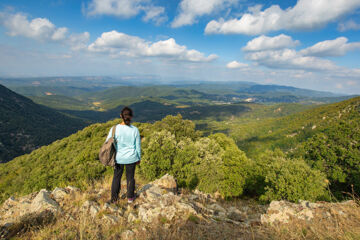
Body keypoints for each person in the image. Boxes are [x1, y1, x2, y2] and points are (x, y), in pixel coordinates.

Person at [105, 106, 141, 204]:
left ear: (121, 116)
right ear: (131, 117)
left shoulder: (114, 129)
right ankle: (130, 198)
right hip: (132, 158)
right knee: (130, 177)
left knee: (116, 177)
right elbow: (137, 146)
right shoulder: (135, 130)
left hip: (119, 158)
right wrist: (138, 158)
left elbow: (107, 142)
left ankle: (114, 199)